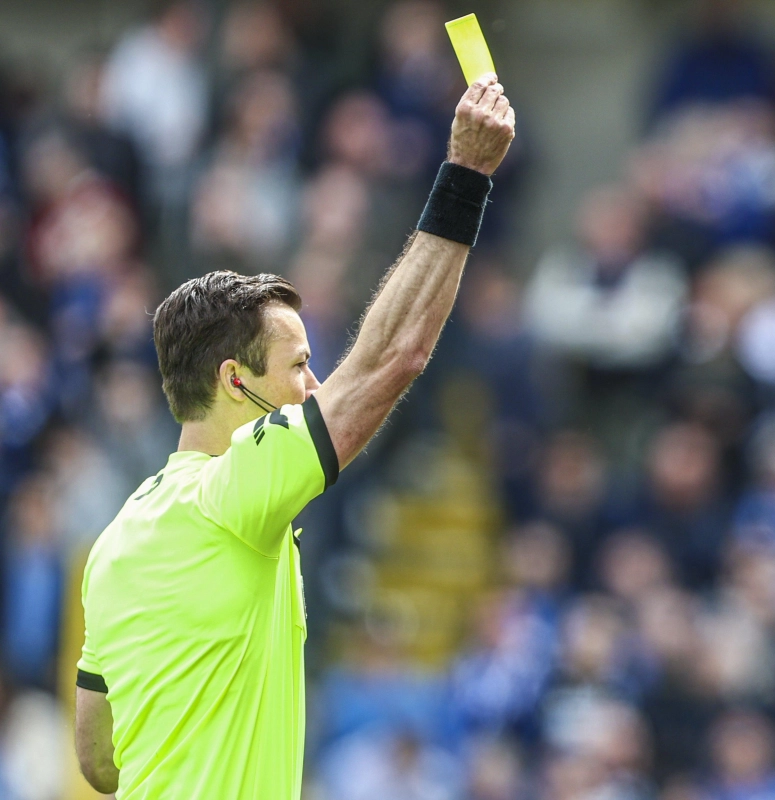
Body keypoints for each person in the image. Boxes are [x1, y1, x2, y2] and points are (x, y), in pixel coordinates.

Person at [73, 74, 515, 799]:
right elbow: (393, 357)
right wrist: (466, 175)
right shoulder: (234, 491)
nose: (314, 385)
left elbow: (98, 760)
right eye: (301, 365)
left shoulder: (116, 541)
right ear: (232, 380)